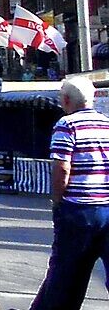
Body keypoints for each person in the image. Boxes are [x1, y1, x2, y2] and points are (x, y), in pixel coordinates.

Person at [27, 75, 109, 310]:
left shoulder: (67, 124)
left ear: (65, 100)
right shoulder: (107, 123)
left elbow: (62, 166)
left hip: (78, 209)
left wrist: (57, 200)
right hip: (107, 206)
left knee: (66, 275)